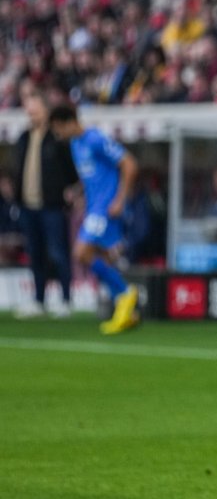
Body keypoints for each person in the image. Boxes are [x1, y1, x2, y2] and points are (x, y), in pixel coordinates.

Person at [48, 103, 139, 334]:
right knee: (104, 257)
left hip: (105, 209)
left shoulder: (95, 139)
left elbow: (129, 164)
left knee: (81, 253)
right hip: (94, 209)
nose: (59, 135)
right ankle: (127, 311)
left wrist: (120, 199)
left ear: (70, 122)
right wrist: (77, 190)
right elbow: (93, 175)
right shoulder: (75, 144)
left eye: (59, 130)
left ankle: (125, 294)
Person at [12, 91, 79, 318]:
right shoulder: (24, 137)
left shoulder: (57, 139)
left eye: (35, 108)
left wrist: (70, 193)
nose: (31, 113)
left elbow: (71, 173)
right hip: (27, 205)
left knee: (58, 252)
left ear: (45, 110)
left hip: (52, 206)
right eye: (28, 109)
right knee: (35, 254)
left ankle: (66, 299)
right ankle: (38, 300)